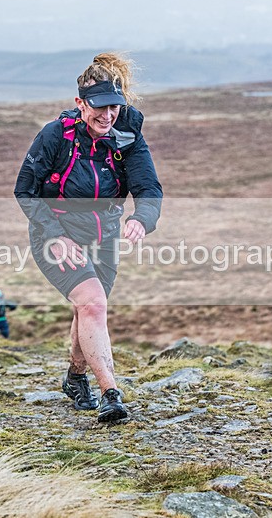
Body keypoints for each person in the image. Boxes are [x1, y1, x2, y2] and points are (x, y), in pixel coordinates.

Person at [14, 52, 162, 423]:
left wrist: (142, 219)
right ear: (81, 103)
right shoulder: (55, 136)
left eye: (114, 106)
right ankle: (111, 393)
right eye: (99, 107)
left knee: (89, 309)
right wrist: (54, 235)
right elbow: (25, 190)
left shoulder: (127, 137)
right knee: (93, 304)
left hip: (106, 235)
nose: (107, 115)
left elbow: (148, 187)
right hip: (56, 234)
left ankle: (75, 377)